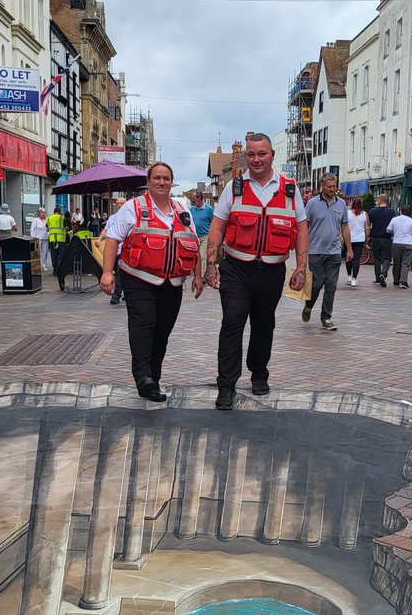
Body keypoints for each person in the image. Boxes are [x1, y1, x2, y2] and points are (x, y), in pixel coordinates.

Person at [204, 133, 308, 410]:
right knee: (232, 324)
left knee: (264, 325)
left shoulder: (289, 189)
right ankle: (226, 385)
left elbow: (301, 229)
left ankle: (259, 373)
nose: (256, 159)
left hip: (271, 271)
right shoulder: (233, 188)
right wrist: (211, 263)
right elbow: (217, 227)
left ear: (272, 155)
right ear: (245, 157)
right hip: (237, 269)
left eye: (262, 154)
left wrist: (301, 265)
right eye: (251, 154)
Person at [100, 161, 204, 402]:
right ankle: (143, 377)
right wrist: (108, 273)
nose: (161, 182)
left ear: (172, 182)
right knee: (144, 324)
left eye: (166, 178)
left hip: (173, 283)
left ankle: (153, 378)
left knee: (162, 332)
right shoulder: (132, 208)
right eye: (156, 177)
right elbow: (113, 239)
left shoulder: (182, 210)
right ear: (148, 182)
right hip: (139, 278)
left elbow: (192, 244)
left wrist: (197, 276)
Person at [302, 173, 351, 331]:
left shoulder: (341, 204)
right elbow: (304, 226)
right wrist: (301, 248)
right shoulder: (312, 204)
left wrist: (349, 249)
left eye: (334, 186)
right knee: (316, 285)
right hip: (315, 251)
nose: (332, 189)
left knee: (331, 285)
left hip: (334, 252)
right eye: (329, 187)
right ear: (322, 186)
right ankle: (308, 306)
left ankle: (326, 317)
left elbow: (344, 226)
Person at [366, 194, 397, 287]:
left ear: (380, 200)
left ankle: (377, 278)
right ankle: (383, 273)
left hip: (375, 238)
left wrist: (367, 237)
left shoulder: (372, 211)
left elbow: (368, 226)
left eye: (377, 199)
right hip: (386, 238)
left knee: (377, 258)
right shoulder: (392, 212)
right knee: (387, 258)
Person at [386, 205, 412, 288]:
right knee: (406, 263)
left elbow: (388, 230)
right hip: (408, 244)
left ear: (401, 211)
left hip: (396, 243)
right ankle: (403, 281)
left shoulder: (394, 219)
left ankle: (396, 280)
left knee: (397, 263)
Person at [101, 210, 125, 305]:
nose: (119, 205)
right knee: (119, 273)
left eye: (121, 203)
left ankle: (116, 296)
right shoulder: (112, 218)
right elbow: (106, 230)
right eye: (118, 203)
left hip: (124, 251)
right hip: (115, 251)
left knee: (119, 274)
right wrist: (99, 239)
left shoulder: (130, 215)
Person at [345, 197, 368, 286]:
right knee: (356, 259)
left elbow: (344, 225)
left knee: (349, 257)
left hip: (349, 238)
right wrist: (366, 238)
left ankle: (349, 276)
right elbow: (367, 228)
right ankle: (354, 279)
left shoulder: (348, 213)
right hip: (360, 239)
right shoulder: (364, 214)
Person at [47, 205, 67, 272]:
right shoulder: (62, 218)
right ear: (59, 212)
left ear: (54, 212)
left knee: (53, 255)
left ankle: (55, 269)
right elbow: (67, 228)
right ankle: (61, 269)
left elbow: (47, 228)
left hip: (53, 239)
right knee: (61, 255)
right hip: (61, 239)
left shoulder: (49, 218)